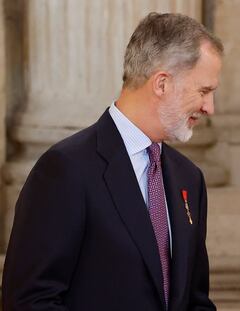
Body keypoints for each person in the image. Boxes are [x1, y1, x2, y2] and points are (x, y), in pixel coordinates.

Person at [2, 12, 223, 311]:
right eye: (204, 91)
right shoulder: (65, 169)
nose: (210, 107)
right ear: (161, 83)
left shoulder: (189, 178)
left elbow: (196, 301)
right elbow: (29, 301)